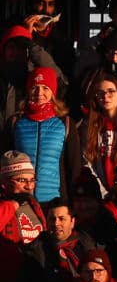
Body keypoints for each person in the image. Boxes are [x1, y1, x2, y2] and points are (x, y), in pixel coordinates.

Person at [8, 66, 81, 202]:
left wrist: (72, 202)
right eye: (34, 87)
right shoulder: (15, 122)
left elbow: (74, 167)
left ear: (53, 92)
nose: (39, 92)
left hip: (54, 202)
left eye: (45, 88)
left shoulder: (65, 123)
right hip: (20, 201)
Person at [0, 151, 47, 282]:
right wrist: (13, 204)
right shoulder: (5, 205)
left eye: (32, 180)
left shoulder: (34, 204)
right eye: (22, 180)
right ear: (4, 182)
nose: (29, 186)